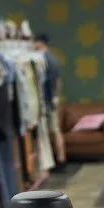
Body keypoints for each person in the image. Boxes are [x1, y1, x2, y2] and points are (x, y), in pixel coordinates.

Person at [33, 34, 65, 166]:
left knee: (44, 133)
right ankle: (61, 159)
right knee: (56, 130)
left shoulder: (39, 60)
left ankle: (48, 163)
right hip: (53, 99)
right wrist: (56, 97)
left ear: (40, 43)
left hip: (44, 101)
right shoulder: (54, 59)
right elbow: (58, 82)